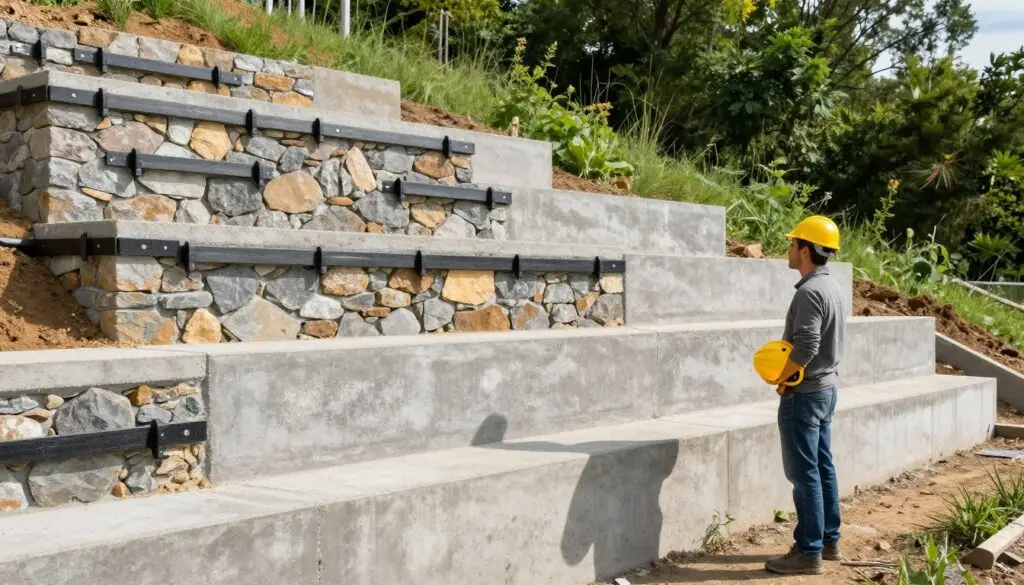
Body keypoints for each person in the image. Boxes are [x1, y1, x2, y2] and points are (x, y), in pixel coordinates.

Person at [764, 215, 847, 576]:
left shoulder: (811, 291)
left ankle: (808, 552)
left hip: (805, 393)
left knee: (805, 475)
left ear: (805, 249)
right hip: (826, 389)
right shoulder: (832, 287)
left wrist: (783, 378)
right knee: (823, 466)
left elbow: (808, 343)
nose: (789, 248)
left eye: (793, 242)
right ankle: (829, 541)